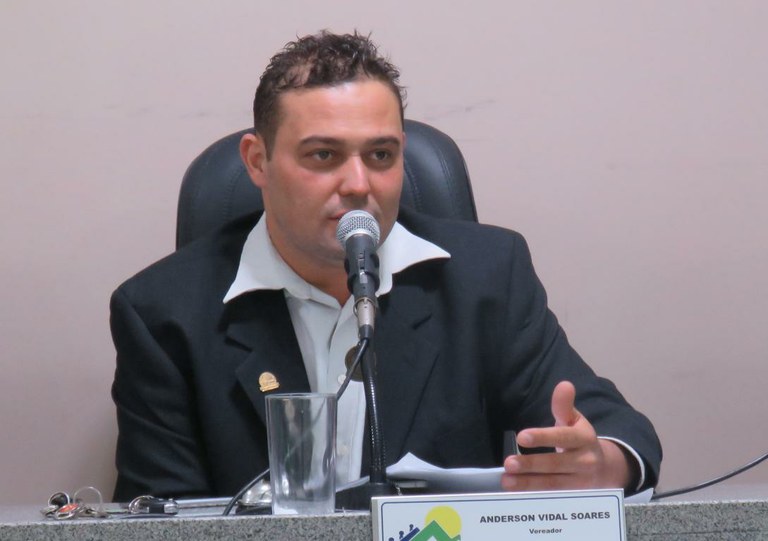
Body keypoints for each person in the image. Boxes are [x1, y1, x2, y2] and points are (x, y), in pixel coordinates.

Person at [110, 31, 662, 502]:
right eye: (323, 155)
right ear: (258, 161)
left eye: (380, 155)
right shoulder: (163, 314)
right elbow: (158, 517)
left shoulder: (486, 276)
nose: (358, 184)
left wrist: (601, 464)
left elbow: (618, 431)